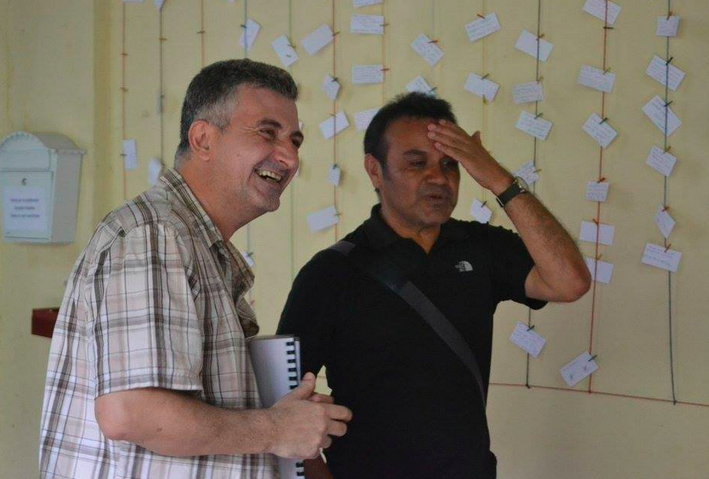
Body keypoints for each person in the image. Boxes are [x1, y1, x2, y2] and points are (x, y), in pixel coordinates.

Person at [39, 59, 352, 479]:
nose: (290, 157)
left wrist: (285, 420)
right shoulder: (155, 234)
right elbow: (131, 413)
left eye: (295, 140)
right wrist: (275, 428)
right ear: (203, 138)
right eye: (267, 132)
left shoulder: (194, 243)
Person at [277, 92, 591, 479]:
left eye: (450, 164)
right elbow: (283, 403)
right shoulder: (330, 274)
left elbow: (570, 282)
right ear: (375, 171)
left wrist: (498, 179)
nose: (439, 178)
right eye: (416, 164)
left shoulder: (481, 248)